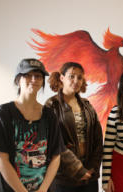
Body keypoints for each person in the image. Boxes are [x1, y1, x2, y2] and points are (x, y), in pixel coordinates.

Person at [0, 58, 65, 192]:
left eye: (38, 76)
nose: (33, 79)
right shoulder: (3, 113)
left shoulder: (49, 115)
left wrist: (42, 190)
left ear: (42, 81)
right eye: (27, 75)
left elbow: (56, 156)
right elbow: (2, 159)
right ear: (18, 80)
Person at [45, 62, 103, 192]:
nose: (76, 81)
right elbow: (54, 143)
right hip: (63, 178)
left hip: (89, 176)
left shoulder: (87, 106)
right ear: (62, 78)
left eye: (79, 77)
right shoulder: (51, 105)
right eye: (71, 76)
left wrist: (92, 168)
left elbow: (98, 140)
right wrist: (78, 170)